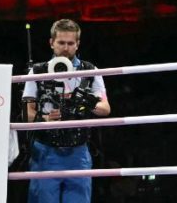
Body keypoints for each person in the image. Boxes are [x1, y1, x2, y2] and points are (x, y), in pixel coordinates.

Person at [22, 19, 111, 202]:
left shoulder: (90, 70)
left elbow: (105, 109)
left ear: (77, 45)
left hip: (78, 152)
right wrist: (44, 119)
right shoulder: (37, 72)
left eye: (70, 43)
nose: (65, 48)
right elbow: (26, 114)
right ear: (51, 43)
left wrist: (86, 102)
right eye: (61, 43)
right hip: (45, 151)